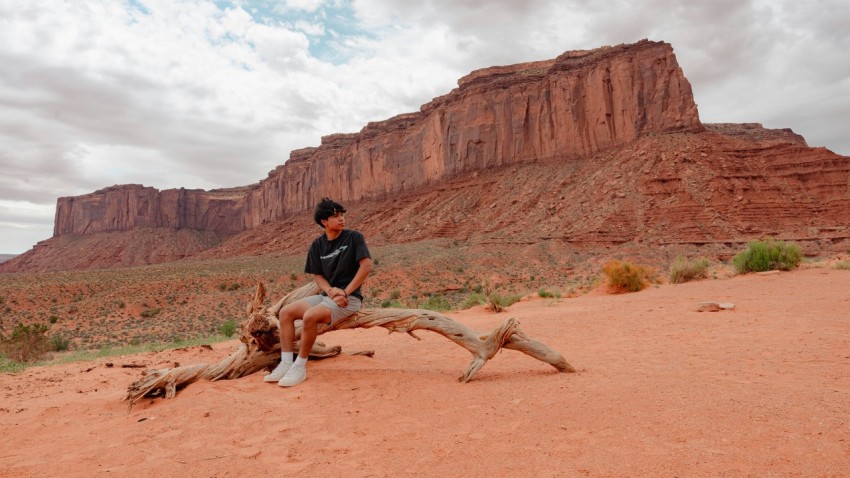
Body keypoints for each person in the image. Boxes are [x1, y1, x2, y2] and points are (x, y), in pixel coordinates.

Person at [264, 197, 373, 387]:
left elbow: (366, 266)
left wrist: (345, 293)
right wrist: (331, 291)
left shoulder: (354, 238)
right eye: (335, 215)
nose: (341, 219)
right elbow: (318, 276)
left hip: (351, 299)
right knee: (285, 312)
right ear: (324, 221)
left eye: (342, 215)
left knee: (310, 316)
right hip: (328, 296)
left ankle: (299, 367)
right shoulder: (317, 245)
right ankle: (286, 362)